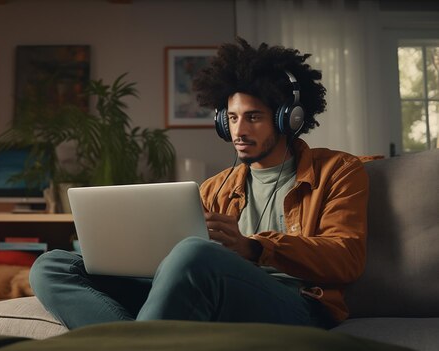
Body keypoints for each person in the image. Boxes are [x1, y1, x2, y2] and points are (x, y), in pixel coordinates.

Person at [29, 37, 368, 330]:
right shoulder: (214, 189)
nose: (239, 130)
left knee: (194, 252)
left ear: (288, 119)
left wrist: (253, 247)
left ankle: (136, 340)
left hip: (298, 304)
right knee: (53, 265)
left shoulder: (337, 171)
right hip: (207, 295)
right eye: (232, 118)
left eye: (253, 117)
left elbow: (347, 257)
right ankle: (139, 340)